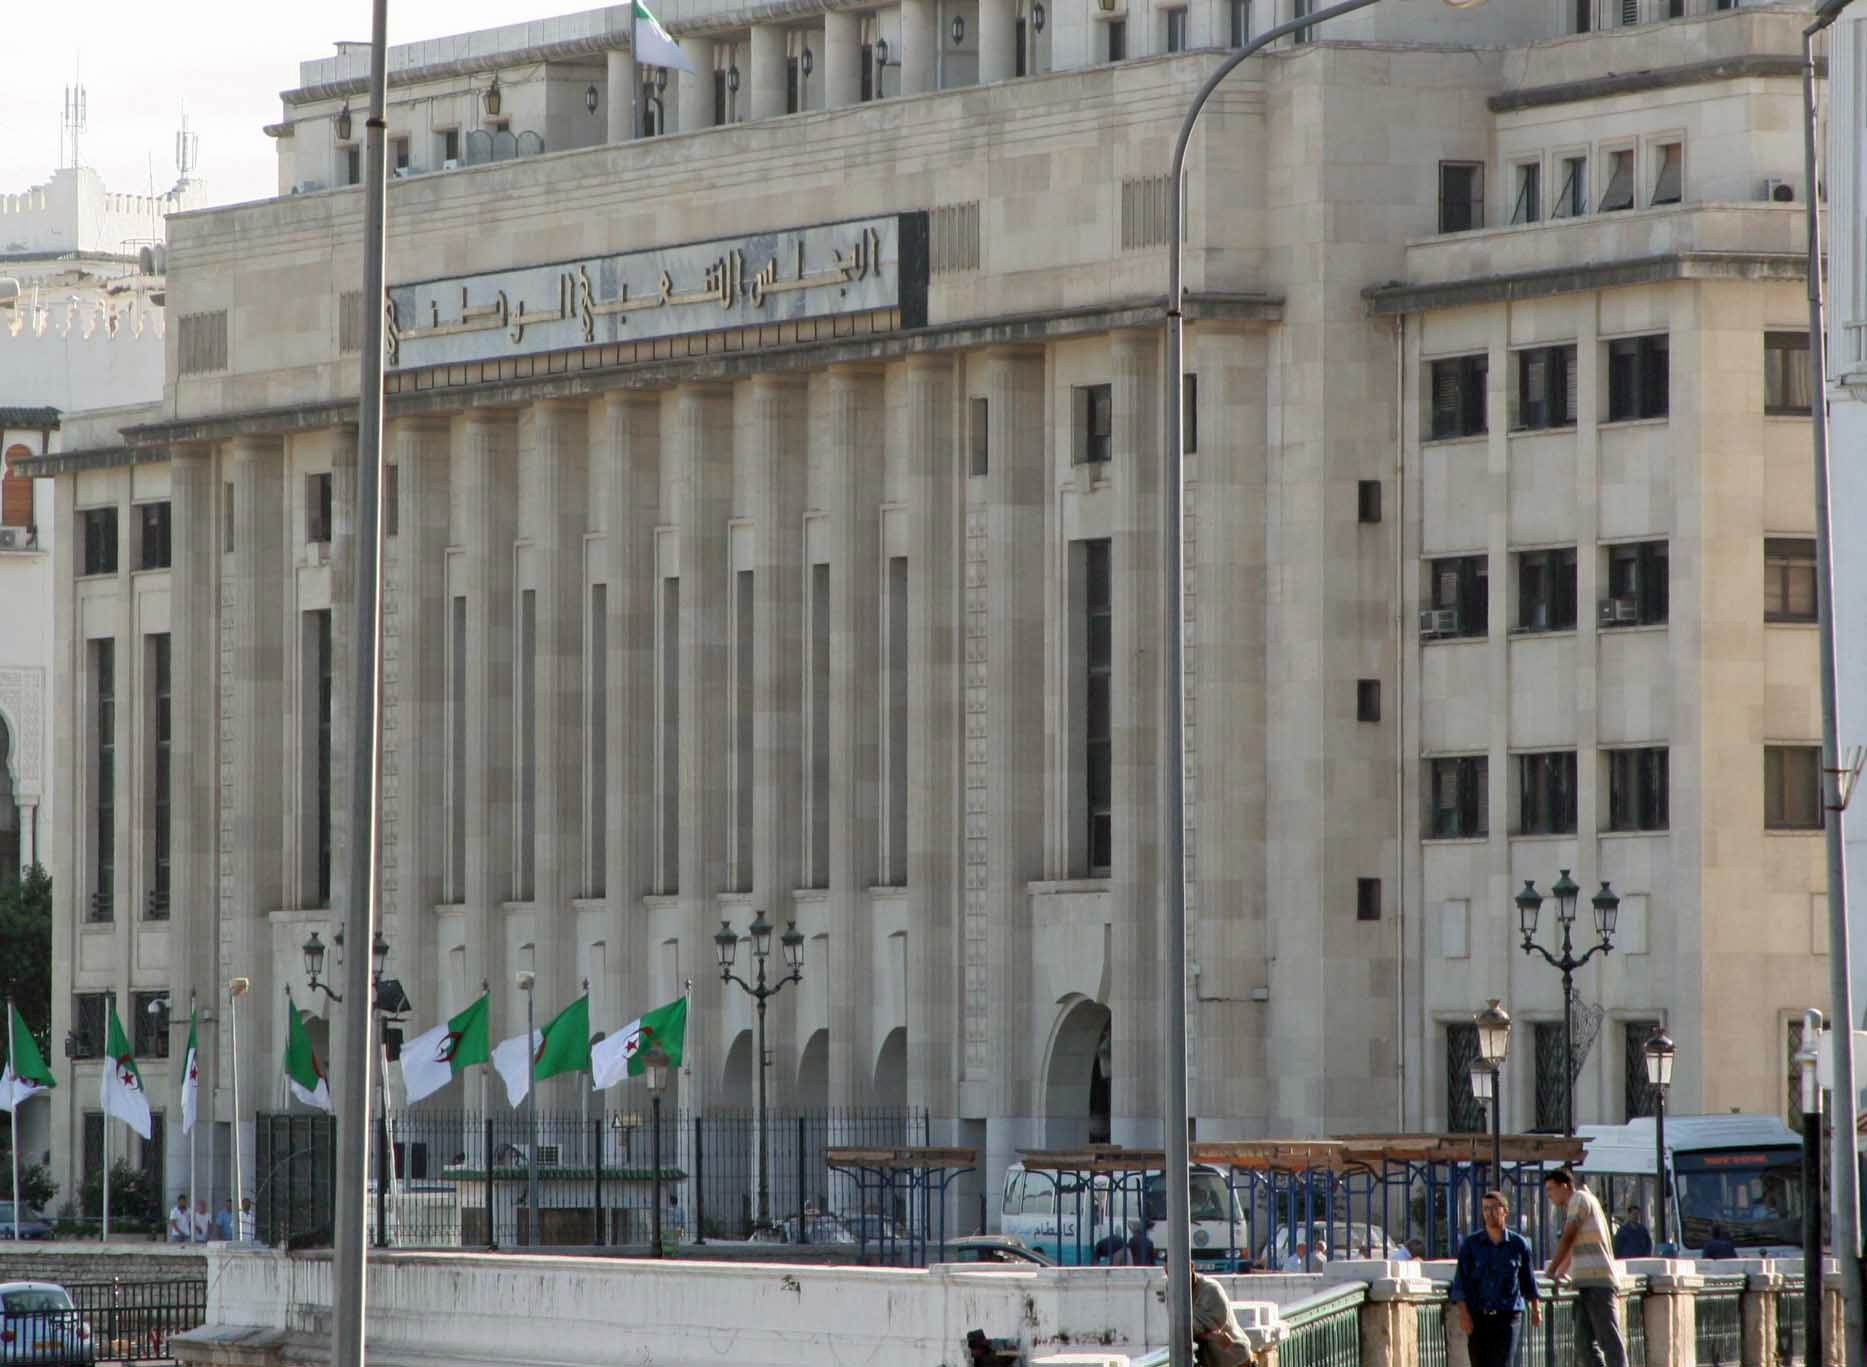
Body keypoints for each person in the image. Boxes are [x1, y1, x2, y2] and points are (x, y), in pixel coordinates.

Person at [1449, 1190, 1543, 1367]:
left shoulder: (1518, 1244)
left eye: (1494, 1208)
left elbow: (1528, 1280)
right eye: (1485, 1209)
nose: (1489, 1213)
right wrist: (1464, 1314)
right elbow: (1461, 1281)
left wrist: (1536, 1309)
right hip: (1478, 1316)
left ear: (1505, 1211)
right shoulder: (1471, 1244)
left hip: (1507, 1316)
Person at [1544, 1167, 1626, 1367]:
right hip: (1584, 1283)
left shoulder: (1578, 1200)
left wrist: (1552, 1269)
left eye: (1551, 1189)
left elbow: (1568, 1237)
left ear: (1564, 1186)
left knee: (1608, 1341)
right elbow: (1574, 1246)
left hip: (1598, 1281)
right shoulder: (1583, 1200)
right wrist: (1560, 1272)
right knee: (1583, 1345)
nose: (1549, 1195)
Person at [1191, 1259, 1253, 1367]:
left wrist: (1209, 1335)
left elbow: (1200, 1327)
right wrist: (1213, 1336)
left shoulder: (1210, 1289)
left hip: (1235, 1359)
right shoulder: (1174, 1291)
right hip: (1213, 1360)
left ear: (1191, 1267)